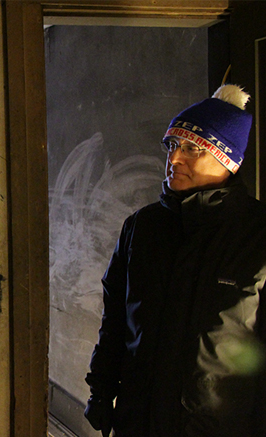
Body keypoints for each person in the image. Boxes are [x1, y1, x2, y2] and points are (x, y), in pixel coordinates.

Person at [84, 84, 266, 437]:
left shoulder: (256, 237)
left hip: (218, 426)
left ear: (227, 160)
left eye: (191, 149)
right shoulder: (143, 227)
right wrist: (102, 392)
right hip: (140, 421)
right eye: (172, 146)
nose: (174, 159)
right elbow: (116, 322)